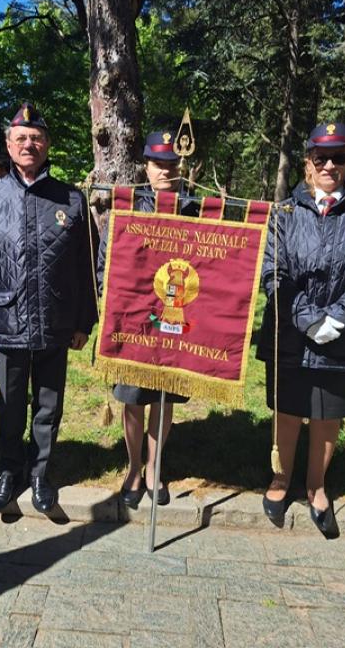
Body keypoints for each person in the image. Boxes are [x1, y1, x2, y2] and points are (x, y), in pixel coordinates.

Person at [0, 101, 98, 515]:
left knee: (49, 405)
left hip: (56, 322)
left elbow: (88, 267)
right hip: (5, 321)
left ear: (47, 144)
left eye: (36, 138)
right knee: (10, 404)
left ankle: (40, 474)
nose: (28, 144)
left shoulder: (71, 200)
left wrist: (83, 321)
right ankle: (8, 470)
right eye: (21, 138)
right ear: (8, 143)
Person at [257, 121, 345, 538]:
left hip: (342, 335)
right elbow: (272, 270)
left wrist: (338, 317)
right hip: (291, 332)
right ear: (307, 164)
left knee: (328, 416)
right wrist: (305, 316)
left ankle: (316, 485)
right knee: (289, 410)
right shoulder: (284, 211)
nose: (329, 164)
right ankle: (281, 479)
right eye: (321, 157)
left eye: (339, 157)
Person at [97, 130, 198, 509]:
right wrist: (111, 299)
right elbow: (107, 259)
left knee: (163, 395)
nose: (166, 171)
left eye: (172, 164)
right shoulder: (127, 205)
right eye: (159, 164)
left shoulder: (194, 208)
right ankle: (134, 467)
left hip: (175, 313)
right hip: (134, 316)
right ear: (146, 166)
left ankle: (156, 466)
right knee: (134, 397)